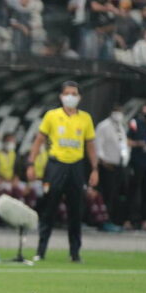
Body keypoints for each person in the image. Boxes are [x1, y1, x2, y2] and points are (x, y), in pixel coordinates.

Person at [26, 81, 99, 262]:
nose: (70, 97)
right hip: (55, 166)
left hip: (76, 167)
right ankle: (40, 251)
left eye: (74, 94)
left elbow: (90, 145)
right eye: (67, 93)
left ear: (79, 97)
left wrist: (95, 169)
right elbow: (39, 140)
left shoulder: (86, 118)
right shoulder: (52, 116)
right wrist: (31, 163)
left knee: (76, 211)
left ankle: (75, 253)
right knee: (48, 209)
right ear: (61, 96)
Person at [94, 104, 128, 229]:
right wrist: (103, 161)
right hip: (107, 166)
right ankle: (104, 220)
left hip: (119, 166)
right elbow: (98, 145)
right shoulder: (103, 126)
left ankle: (113, 219)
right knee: (107, 194)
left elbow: (123, 145)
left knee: (116, 195)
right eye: (117, 111)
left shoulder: (120, 127)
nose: (119, 114)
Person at [126, 101, 146, 231]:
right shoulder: (135, 123)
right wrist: (140, 143)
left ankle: (145, 220)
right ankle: (128, 219)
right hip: (137, 161)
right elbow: (127, 141)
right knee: (133, 191)